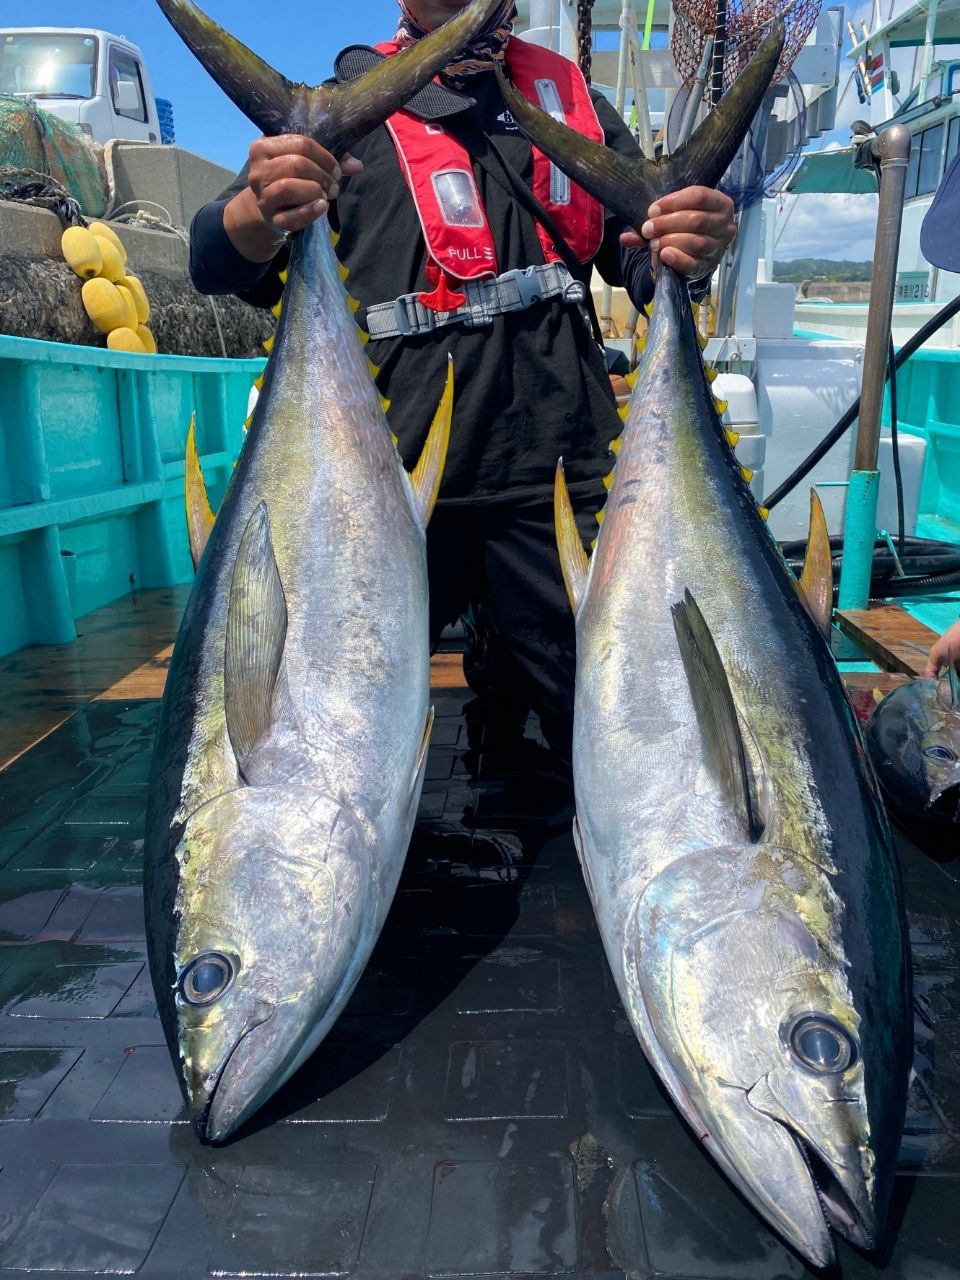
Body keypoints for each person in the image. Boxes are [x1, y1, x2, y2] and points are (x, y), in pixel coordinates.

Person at [189, 0, 736, 767]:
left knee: (621, 727)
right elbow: (215, 262)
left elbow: (639, 259)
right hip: (392, 477)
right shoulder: (342, 113)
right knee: (343, 737)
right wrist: (258, 208)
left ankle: (505, 675)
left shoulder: (570, 104)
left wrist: (686, 246)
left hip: (555, 468)